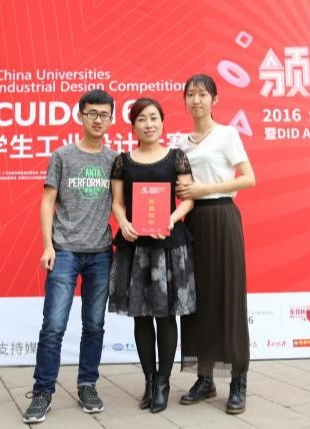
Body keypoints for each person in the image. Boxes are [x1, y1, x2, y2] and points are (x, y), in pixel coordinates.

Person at [23, 89, 117, 424]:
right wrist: (47, 245)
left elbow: (121, 204)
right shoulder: (62, 156)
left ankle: (87, 384)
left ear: (111, 119)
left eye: (104, 114)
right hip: (64, 251)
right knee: (54, 325)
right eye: (91, 113)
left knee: (94, 325)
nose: (97, 120)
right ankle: (42, 391)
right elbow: (47, 201)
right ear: (80, 116)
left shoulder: (115, 160)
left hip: (101, 253)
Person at [108, 97, 196, 413]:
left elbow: (187, 199)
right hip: (135, 247)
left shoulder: (176, 157)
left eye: (154, 118)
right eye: (142, 119)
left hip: (167, 246)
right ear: (133, 125)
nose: (149, 124)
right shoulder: (123, 161)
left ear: (162, 122)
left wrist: (170, 219)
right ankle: (149, 380)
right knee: (141, 316)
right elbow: (117, 202)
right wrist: (123, 222)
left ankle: (163, 383)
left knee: (165, 315)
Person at [176, 74, 256, 414]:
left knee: (228, 297)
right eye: (191, 94)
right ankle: (204, 378)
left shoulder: (227, 135)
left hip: (222, 218)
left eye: (202, 94)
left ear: (214, 99)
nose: (196, 100)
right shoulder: (180, 144)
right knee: (196, 300)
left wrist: (204, 189)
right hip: (192, 222)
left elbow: (249, 178)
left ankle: (238, 380)